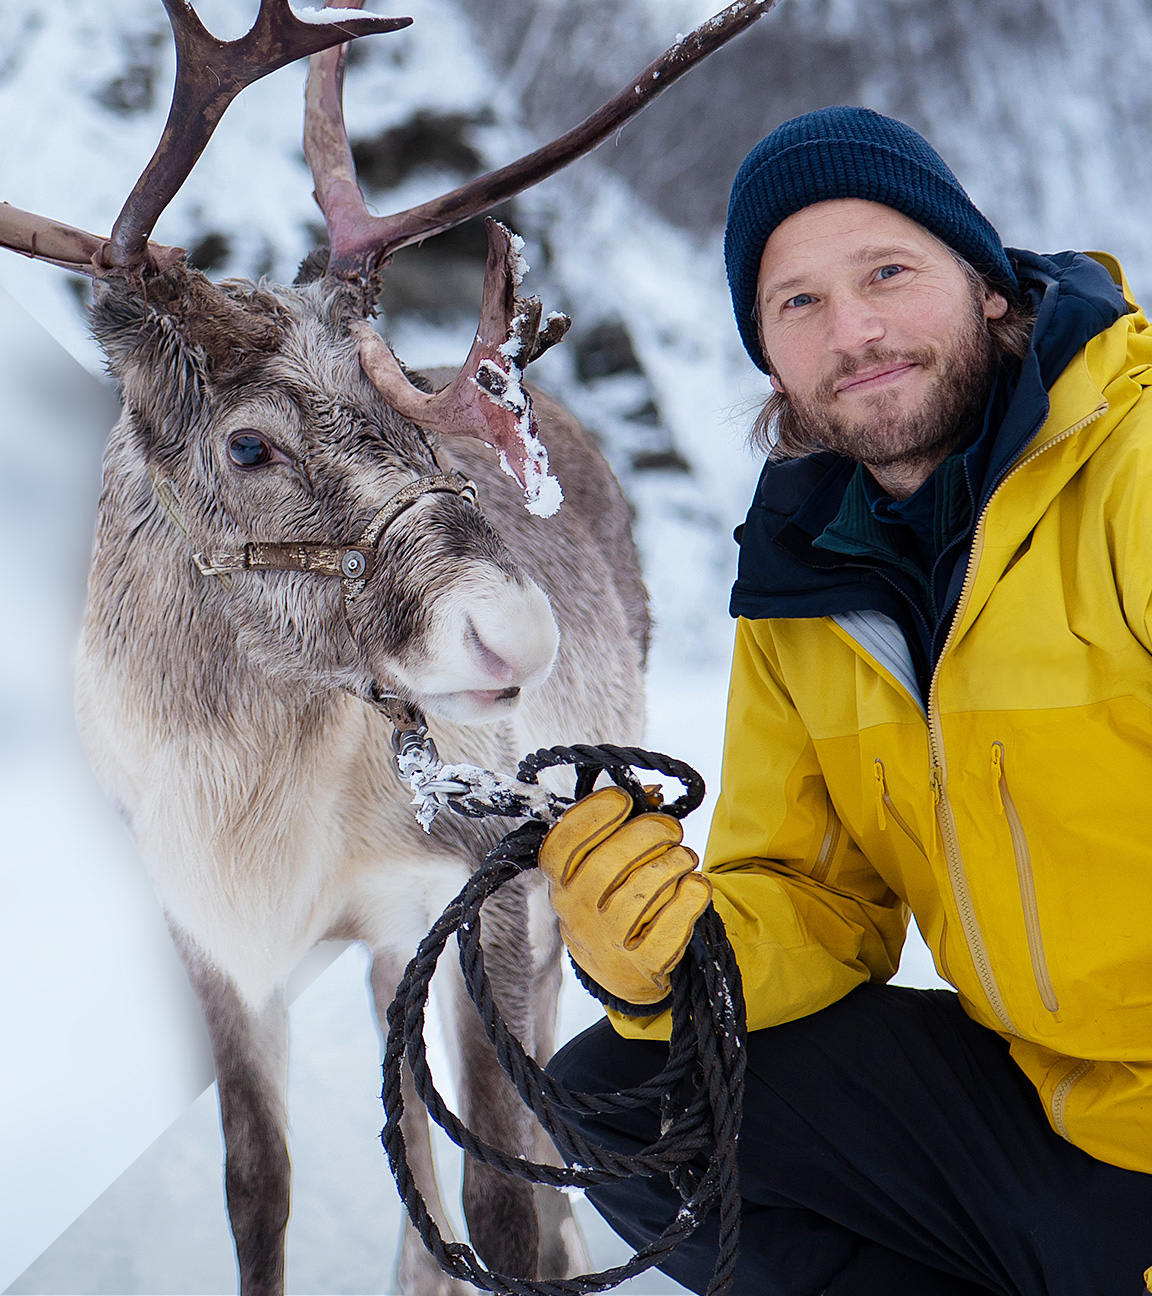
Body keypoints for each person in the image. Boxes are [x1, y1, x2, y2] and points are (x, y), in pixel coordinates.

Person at [543, 106, 1152, 1296]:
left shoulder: (1130, 471)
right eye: (799, 302)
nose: (855, 331)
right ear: (768, 354)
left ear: (984, 283)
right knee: (628, 1093)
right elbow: (820, 902)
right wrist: (676, 955)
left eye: (887, 271)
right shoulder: (806, 572)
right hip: (1051, 1114)